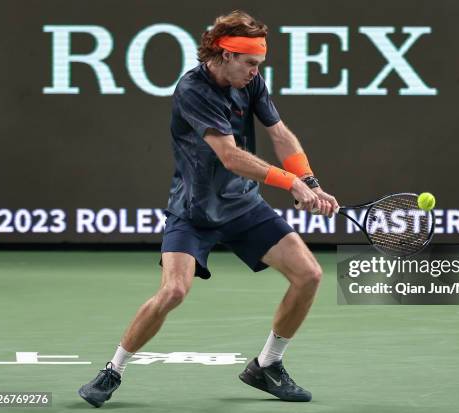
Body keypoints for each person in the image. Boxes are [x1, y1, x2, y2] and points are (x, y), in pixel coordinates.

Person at [78, 10, 338, 407]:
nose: (256, 71)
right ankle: (112, 371)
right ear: (224, 54)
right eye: (250, 63)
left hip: (243, 206)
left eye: (259, 64)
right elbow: (230, 157)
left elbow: (280, 134)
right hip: (194, 210)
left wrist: (312, 182)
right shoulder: (193, 90)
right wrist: (291, 184)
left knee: (309, 274)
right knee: (174, 291)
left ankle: (267, 365)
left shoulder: (251, 83)